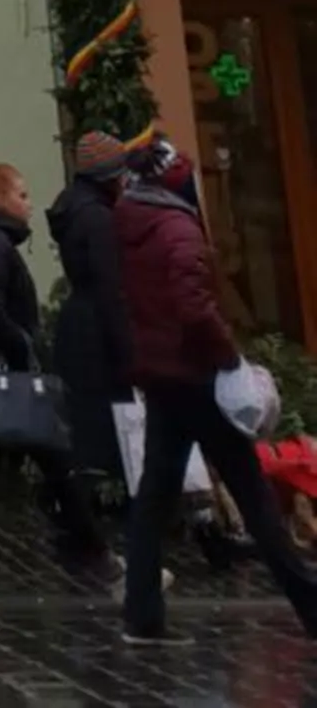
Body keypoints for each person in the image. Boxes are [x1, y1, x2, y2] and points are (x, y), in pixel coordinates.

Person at [118, 141, 317, 645]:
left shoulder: (128, 219)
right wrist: (230, 358)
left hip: (160, 376)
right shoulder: (178, 228)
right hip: (197, 378)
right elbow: (193, 306)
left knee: (153, 497)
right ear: (177, 180)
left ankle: (142, 614)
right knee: (253, 496)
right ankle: (310, 606)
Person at [0, 155, 111, 616]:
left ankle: (108, 567)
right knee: (46, 468)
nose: (30, 204)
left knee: (38, 470)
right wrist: (23, 348)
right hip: (4, 383)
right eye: (23, 195)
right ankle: (111, 570)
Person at [47, 130, 135, 499]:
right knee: (110, 427)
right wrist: (129, 352)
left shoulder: (74, 209)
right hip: (99, 332)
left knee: (87, 425)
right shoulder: (98, 219)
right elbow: (110, 286)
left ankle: (84, 509)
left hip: (80, 326)